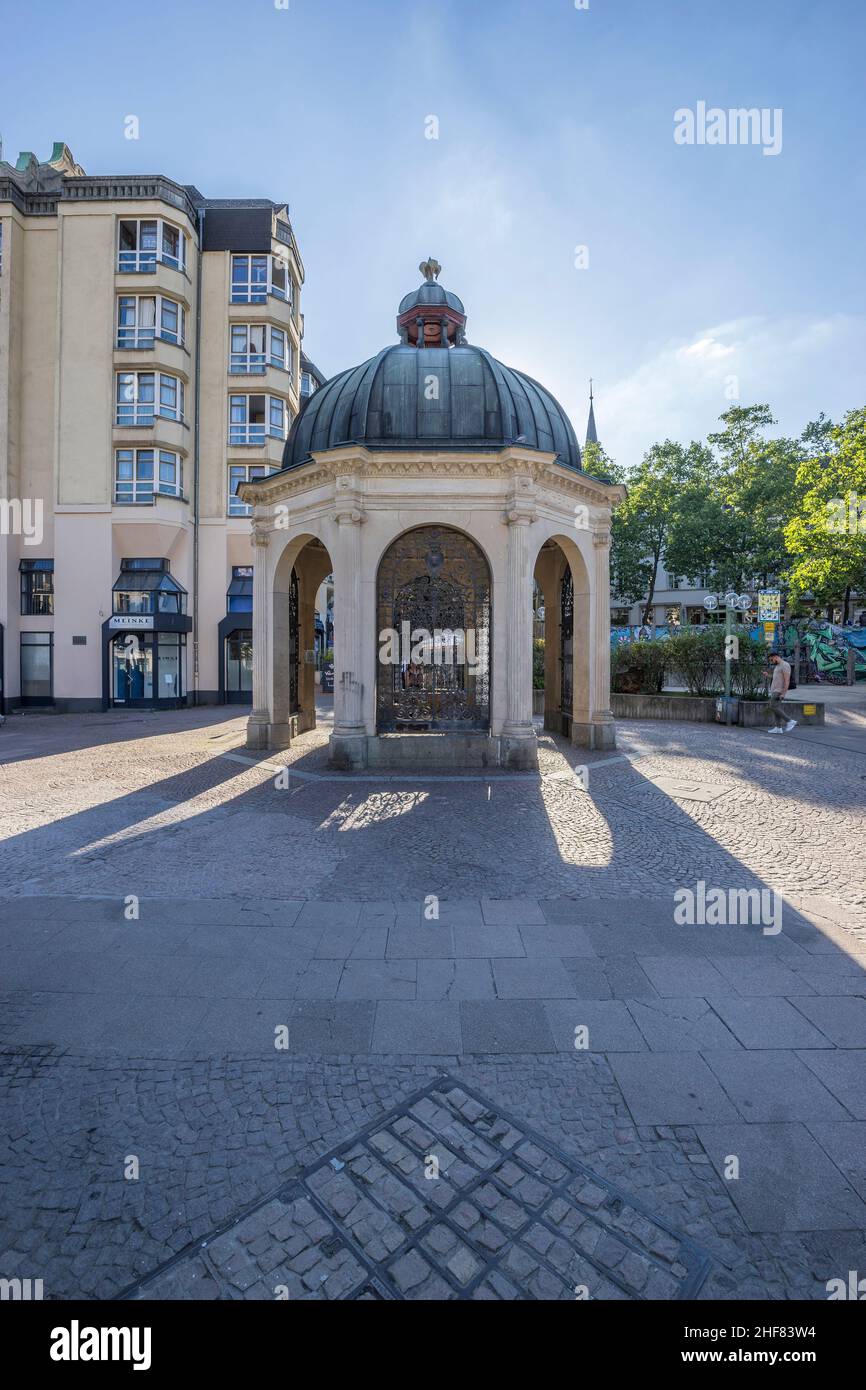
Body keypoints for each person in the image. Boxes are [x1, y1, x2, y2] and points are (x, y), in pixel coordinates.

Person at [765, 653, 797, 733]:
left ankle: (789, 721)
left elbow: (787, 680)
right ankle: (778, 728)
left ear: (776, 657)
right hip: (774, 690)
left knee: (772, 706)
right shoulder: (778, 666)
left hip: (779, 691)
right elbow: (776, 677)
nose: (771, 662)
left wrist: (783, 693)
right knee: (776, 708)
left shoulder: (785, 665)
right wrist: (768, 675)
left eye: (771, 660)